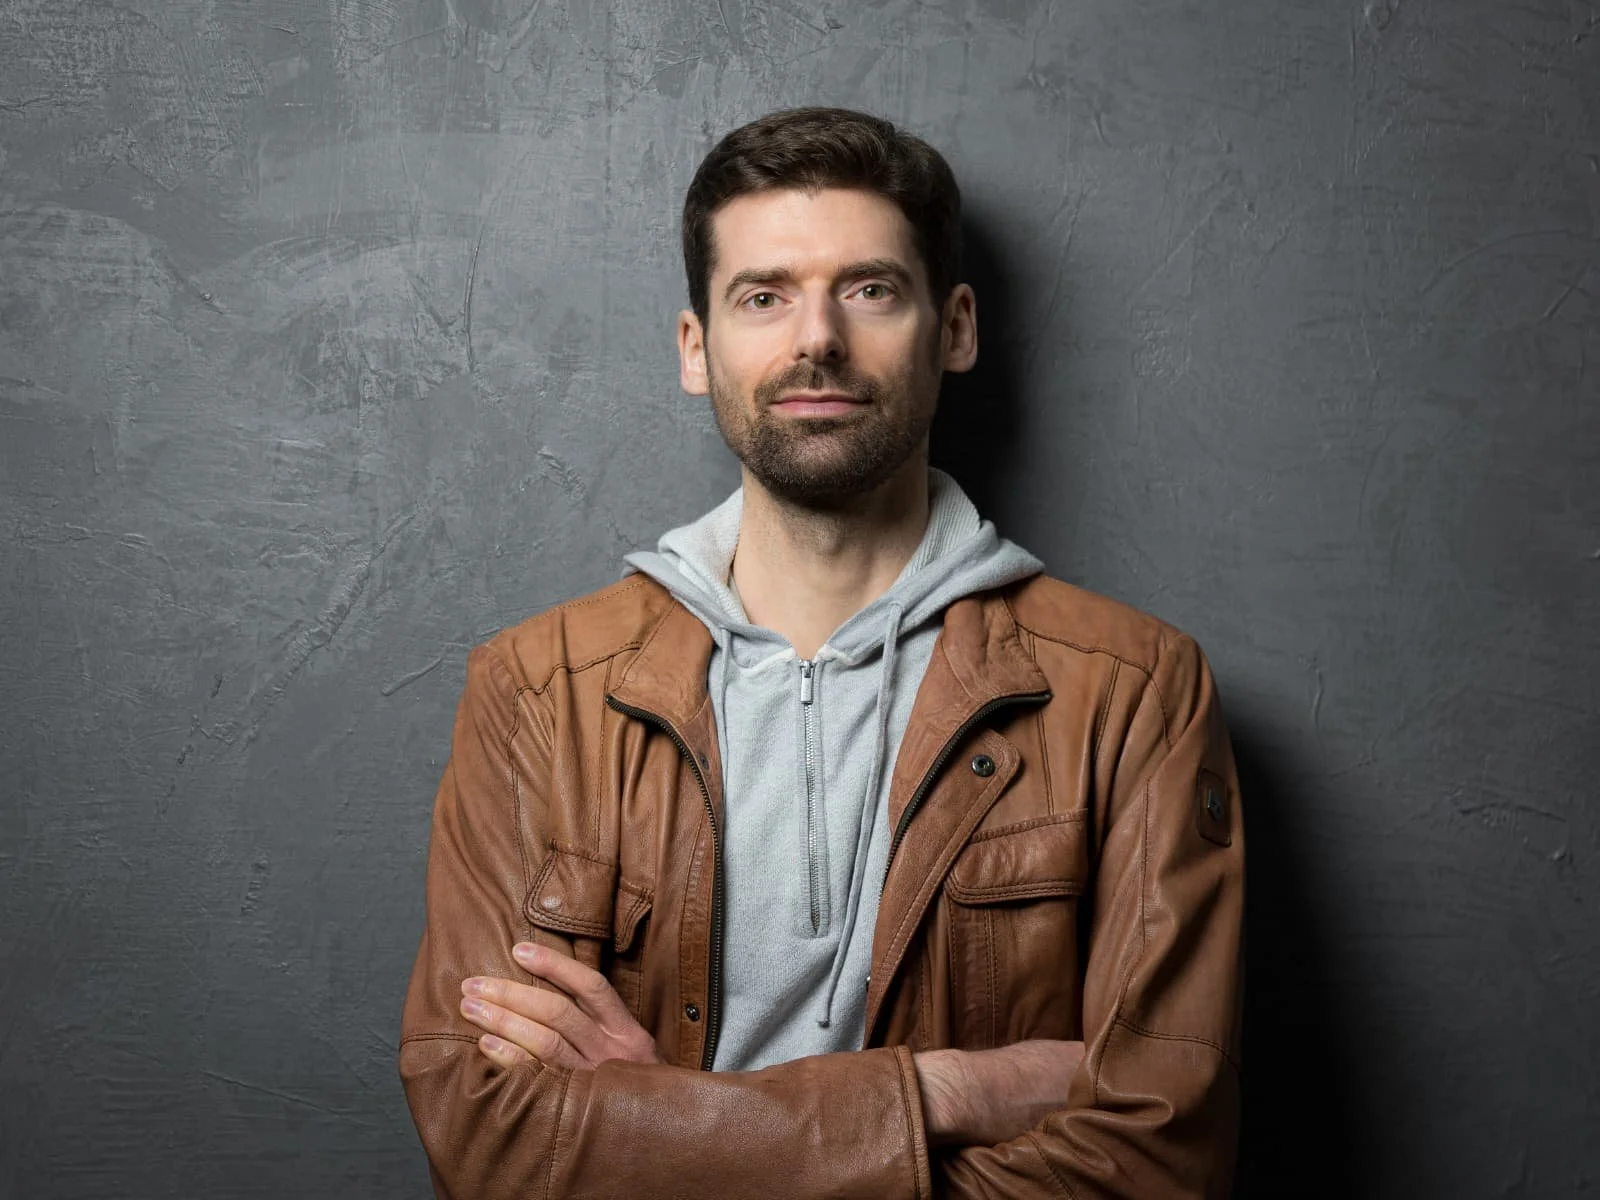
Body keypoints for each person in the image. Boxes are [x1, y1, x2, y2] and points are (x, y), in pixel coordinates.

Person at [399, 106, 1244, 1199]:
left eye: (869, 289)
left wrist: (659, 1123)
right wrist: (941, 1094)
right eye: (763, 296)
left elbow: (1155, 1166)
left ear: (955, 328)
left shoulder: (1131, 693)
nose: (816, 340)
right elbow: (488, 1142)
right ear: (696, 349)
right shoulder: (534, 692)